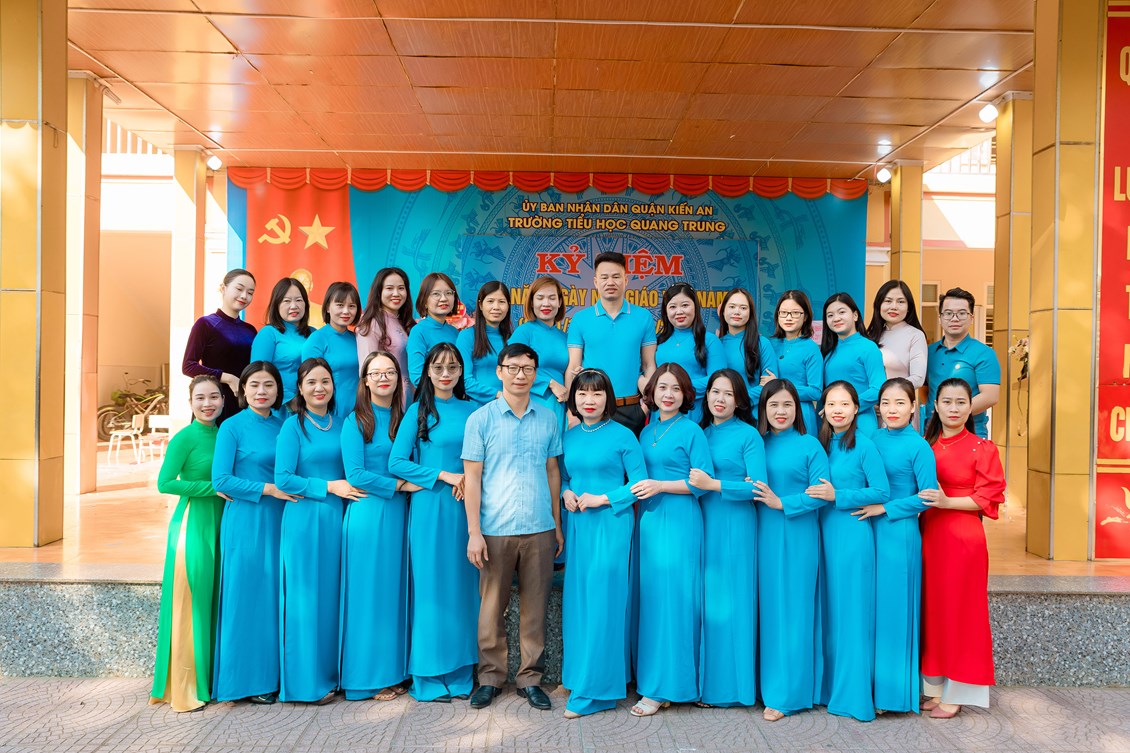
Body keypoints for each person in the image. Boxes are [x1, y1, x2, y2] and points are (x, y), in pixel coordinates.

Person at [463, 343, 563, 711]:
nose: (520, 375)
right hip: (495, 528)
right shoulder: (481, 420)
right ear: (499, 371)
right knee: (492, 608)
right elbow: (472, 479)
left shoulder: (548, 418)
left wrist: (556, 525)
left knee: (535, 607)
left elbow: (552, 472)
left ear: (536, 374)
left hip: (539, 527)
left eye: (527, 369)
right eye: (513, 367)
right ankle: (490, 678)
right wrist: (474, 532)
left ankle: (530, 679)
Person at [388, 343, 479, 702]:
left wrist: (469, 480)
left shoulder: (473, 410)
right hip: (430, 507)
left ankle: (460, 673)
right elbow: (397, 462)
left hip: (465, 509)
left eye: (452, 367)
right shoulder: (418, 411)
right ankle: (427, 675)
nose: (445, 373)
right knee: (430, 589)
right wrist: (443, 475)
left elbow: (484, 458)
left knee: (462, 588)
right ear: (427, 371)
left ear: (461, 372)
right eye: (438, 367)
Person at [274, 358, 365, 704]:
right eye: (311, 382)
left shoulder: (343, 424)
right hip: (305, 518)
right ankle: (303, 684)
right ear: (300, 388)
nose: (319, 388)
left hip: (337, 519)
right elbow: (283, 478)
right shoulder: (292, 427)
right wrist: (328, 486)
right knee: (305, 600)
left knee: (331, 599)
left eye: (325, 381)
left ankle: (330, 676)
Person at [558, 368, 646, 718]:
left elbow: (640, 484)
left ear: (608, 397)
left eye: (597, 393)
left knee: (603, 602)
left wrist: (603, 499)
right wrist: (566, 493)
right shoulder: (569, 436)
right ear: (574, 399)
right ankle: (582, 676)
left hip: (611, 524)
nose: (589, 400)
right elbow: (565, 476)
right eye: (582, 394)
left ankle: (596, 692)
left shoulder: (624, 435)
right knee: (580, 602)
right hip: (579, 525)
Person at [628, 363, 714, 717]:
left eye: (676, 389)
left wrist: (661, 485)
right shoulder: (646, 431)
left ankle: (665, 687)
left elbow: (702, 482)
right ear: (651, 392)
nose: (668, 394)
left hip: (680, 520)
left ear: (686, 394)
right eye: (662, 387)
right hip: (649, 520)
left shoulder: (692, 430)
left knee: (673, 601)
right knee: (652, 601)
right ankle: (652, 677)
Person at [919, 378, 1006, 718]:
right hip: (930, 536)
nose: (953, 409)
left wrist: (947, 501)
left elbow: (988, 497)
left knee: (962, 612)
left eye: (960, 402)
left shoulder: (982, 448)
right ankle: (936, 687)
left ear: (971, 408)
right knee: (935, 610)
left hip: (963, 538)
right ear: (935, 406)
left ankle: (958, 691)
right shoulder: (927, 446)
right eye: (947, 402)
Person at [211, 362, 293, 705]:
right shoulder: (232, 426)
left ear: (278, 390)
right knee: (247, 597)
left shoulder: (286, 423)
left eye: (269, 385)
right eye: (255, 385)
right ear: (242, 389)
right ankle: (244, 681)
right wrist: (268, 489)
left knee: (276, 597)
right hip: (248, 520)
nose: (262, 391)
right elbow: (221, 480)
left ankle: (274, 675)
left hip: (283, 518)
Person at [686, 369, 767, 708]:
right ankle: (708, 684)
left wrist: (715, 484)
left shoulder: (749, 435)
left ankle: (733, 689)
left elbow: (759, 487)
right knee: (709, 603)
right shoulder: (700, 433)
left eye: (728, 394)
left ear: (740, 401)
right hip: (703, 521)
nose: (720, 399)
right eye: (715, 392)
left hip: (735, 523)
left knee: (733, 600)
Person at [339, 352, 417, 701]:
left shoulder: (405, 417)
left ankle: (391, 672)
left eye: (390, 372)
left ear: (400, 379)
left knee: (391, 594)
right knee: (368, 595)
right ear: (365, 381)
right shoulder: (355, 420)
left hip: (399, 513)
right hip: (369, 513)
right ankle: (364, 680)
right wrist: (399, 485)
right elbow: (355, 474)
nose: (383, 378)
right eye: (376, 373)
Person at [810, 381, 889, 722]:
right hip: (822, 533)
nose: (838, 410)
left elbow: (882, 491)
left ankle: (854, 697)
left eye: (845, 404)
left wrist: (839, 496)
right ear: (823, 410)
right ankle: (828, 689)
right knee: (829, 613)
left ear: (857, 408)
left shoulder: (864, 445)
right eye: (832, 404)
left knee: (852, 614)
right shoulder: (821, 444)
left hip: (852, 534)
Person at [860, 377, 938, 715]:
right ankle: (871, 687)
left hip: (900, 533)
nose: (892, 409)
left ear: (913, 407)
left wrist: (886, 508)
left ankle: (892, 696)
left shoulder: (919, 446)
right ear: (877, 407)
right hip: (869, 530)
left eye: (900, 403)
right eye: (886, 403)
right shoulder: (871, 439)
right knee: (872, 610)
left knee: (894, 611)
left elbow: (929, 496)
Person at [754, 378, 830, 721]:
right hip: (763, 535)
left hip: (797, 534)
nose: (780, 411)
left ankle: (788, 695)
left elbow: (821, 493)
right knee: (770, 610)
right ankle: (767, 685)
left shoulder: (809, 444)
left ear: (797, 408)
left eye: (787, 404)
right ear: (763, 409)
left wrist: (782, 502)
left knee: (794, 610)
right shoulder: (758, 443)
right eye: (773, 405)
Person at [151, 375, 225, 712]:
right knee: (191, 602)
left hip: (223, 522)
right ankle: (186, 687)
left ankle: (212, 680)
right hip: (193, 523)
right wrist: (214, 488)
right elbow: (165, 483)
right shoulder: (184, 438)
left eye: (214, 397)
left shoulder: (225, 434)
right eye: (200, 398)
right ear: (191, 403)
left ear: (223, 400)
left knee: (214, 600)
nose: (208, 404)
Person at [566, 252, 657, 436]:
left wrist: (646, 406)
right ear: (595, 282)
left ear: (626, 280)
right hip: (591, 409)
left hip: (632, 408)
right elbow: (573, 367)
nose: (610, 282)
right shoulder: (580, 319)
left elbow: (649, 365)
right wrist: (571, 413)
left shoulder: (643, 317)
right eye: (604, 277)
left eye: (616, 277)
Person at [182, 269, 257, 424]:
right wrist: (228, 378)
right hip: (213, 404)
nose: (244, 296)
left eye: (250, 292)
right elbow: (189, 366)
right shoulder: (205, 324)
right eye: (239, 289)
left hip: (243, 404)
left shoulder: (250, 330)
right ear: (223, 288)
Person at [925, 288, 1001, 439]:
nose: (954, 319)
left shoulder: (984, 353)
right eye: (948, 313)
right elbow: (925, 390)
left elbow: (990, 396)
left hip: (970, 434)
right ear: (940, 318)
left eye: (962, 313)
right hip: (932, 435)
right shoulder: (929, 351)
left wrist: (949, 413)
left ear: (971, 318)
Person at [655, 283, 725, 422]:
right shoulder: (658, 341)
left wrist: (677, 389)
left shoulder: (710, 340)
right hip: (661, 413)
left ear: (695, 307)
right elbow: (645, 371)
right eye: (672, 307)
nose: (679, 311)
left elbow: (718, 380)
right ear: (665, 311)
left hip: (694, 411)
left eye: (685, 305)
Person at [821, 293, 886, 436]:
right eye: (830, 315)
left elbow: (878, 389)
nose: (836, 318)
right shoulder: (829, 352)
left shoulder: (868, 347)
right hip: (833, 423)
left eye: (841, 312)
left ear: (855, 315)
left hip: (861, 422)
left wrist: (847, 407)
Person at [510, 275, 569, 432]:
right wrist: (549, 383)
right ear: (532, 302)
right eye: (540, 298)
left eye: (552, 298)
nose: (546, 303)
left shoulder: (564, 337)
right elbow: (510, 368)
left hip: (560, 405)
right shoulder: (524, 332)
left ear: (560, 302)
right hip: (533, 403)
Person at [301, 281, 361, 419]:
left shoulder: (358, 338)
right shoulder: (316, 340)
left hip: (359, 412)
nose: (346, 311)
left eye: (351, 306)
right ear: (328, 307)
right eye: (340, 305)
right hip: (329, 413)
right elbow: (309, 382)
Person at [250, 278, 313, 408]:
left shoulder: (314, 333)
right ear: (276, 304)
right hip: (280, 406)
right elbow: (258, 375)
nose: (294, 306)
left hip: (312, 403)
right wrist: (291, 400)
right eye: (286, 301)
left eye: (299, 300)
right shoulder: (268, 333)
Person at [355, 267, 415, 403]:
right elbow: (367, 369)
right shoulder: (370, 324)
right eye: (389, 288)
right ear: (379, 291)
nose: (396, 293)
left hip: (411, 396)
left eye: (401, 288)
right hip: (389, 399)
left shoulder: (405, 322)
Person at [767, 291, 822, 432]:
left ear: (805, 316)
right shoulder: (770, 344)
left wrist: (779, 386)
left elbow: (815, 392)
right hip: (772, 413)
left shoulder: (811, 348)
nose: (789, 318)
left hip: (800, 415)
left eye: (795, 313)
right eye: (784, 313)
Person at [717, 287, 776, 414]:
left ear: (750, 313)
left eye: (743, 308)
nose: (737, 312)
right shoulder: (715, 345)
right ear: (722, 311)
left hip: (752, 415)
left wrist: (736, 401)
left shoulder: (762, 344)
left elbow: (769, 385)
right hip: (719, 414)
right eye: (732, 307)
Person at [865, 280, 929, 391]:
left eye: (901, 302)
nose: (894, 307)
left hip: (897, 399)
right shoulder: (869, 336)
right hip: (868, 400)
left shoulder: (916, 335)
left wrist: (888, 393)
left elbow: (918, 378)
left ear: (909, 308)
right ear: (879, 305)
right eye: (888, 301)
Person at [457, 281, 513, 406]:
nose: (496, 307)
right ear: (480, 305)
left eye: (502, 302)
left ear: (508, 306)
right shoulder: (467, 336)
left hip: (510, 408)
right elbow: (464, 380)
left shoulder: (513, 339)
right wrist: (498, 395)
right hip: (477, 408)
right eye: (490, 301)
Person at [406, 272, 460, 385]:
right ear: (425, 301)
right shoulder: (418, 332)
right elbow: (417, 377)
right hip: (432, 395)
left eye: (448, 293)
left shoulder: (455, 332)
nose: (444, 298)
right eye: (436, 294)